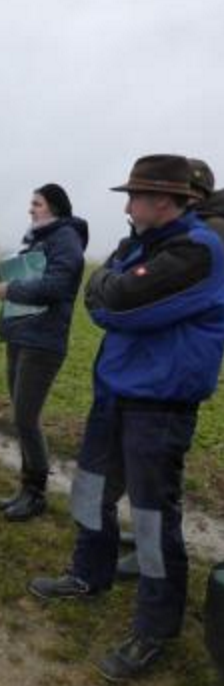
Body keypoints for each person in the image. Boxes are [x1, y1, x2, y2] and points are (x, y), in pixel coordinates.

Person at [28, 155, 224, 683]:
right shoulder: (141, 243)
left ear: (166, 199)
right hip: (113, 392)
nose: (127, 204)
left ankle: (156, 628)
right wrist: (111, 287)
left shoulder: (198, 252)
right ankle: (89, 575)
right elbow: (102, 292)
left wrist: (111, 288)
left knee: (154, 521)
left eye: (135, 195)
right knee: (91, 493)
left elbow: (118, 305)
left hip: (159, 405)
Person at [117, 157, 224, 582]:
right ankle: (148, 545)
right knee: (154, 479)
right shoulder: (188, 233)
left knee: (160, 481)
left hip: (175, 370)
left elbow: (134, 297)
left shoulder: (204, 238)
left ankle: (154, 560)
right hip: (166, 366)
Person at [0, 184, 88, 521]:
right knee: (21, 415)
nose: (31, 209)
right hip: (22, 334)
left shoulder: (66, 239)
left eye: (37, 203)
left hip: (43, 341)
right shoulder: (38, 237)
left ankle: (36, 494)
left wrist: (10, 289)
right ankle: (25, 488)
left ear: (55, 207)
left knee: (26, 418)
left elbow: (57, 286)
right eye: (31, 203)